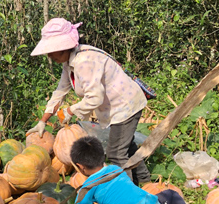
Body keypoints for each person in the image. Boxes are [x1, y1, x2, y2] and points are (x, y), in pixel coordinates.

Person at [27, 17, 151, 184]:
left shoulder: (84, 61)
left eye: (52, 50)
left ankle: (128, 196)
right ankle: (145, 182)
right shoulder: (69, 61)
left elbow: (95, 97)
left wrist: (71, 111)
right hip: (116, 106)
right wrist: (43, 120)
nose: (49, 55)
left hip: (125, 105)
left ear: (64, 47)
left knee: (116, 153)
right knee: (127, 147)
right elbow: (61, 91)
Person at [70, 136, 205, 204]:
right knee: (170, 193)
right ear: (102, 155)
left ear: (80, 167)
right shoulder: (115, 169)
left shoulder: (87, 187)